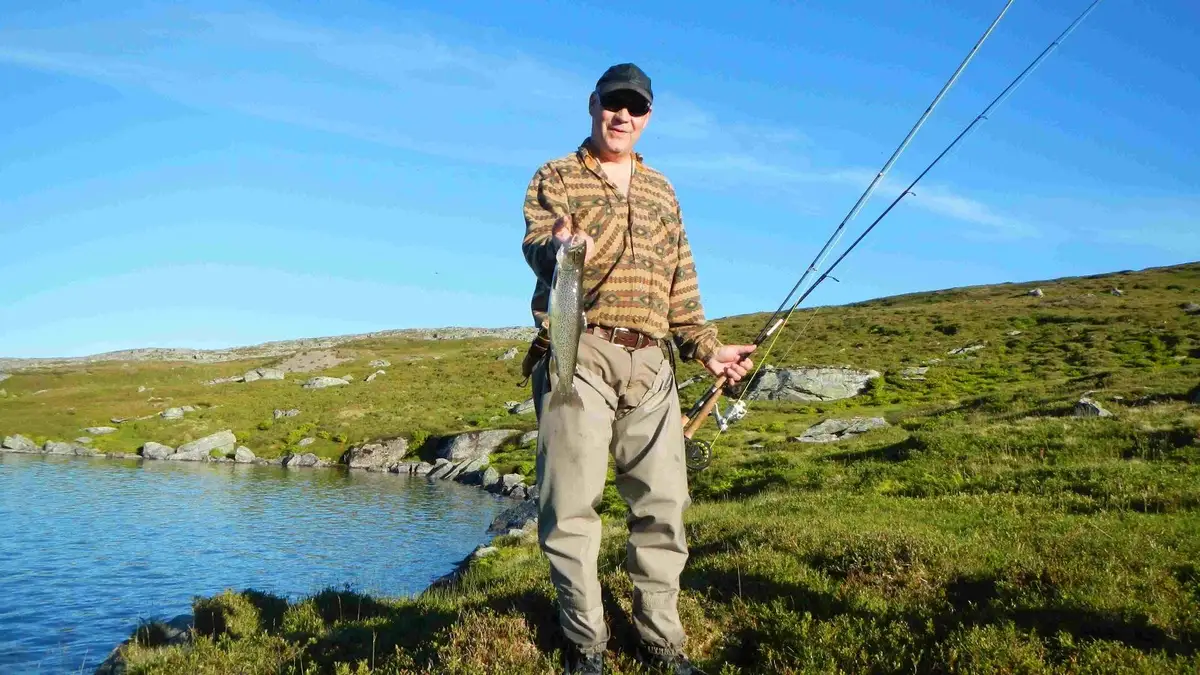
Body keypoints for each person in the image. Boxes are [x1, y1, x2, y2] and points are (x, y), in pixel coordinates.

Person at [520, 62, 756, 674]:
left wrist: (706, 347)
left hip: (653, 363)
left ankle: (661, 642)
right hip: (579, 351)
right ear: (592, 104)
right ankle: (586, 644)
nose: (622, 115)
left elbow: (682, 280)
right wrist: (560, 245)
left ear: (648, 117)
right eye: (613, 103)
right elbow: (536, 245)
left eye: (636, 107)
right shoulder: (557, 175)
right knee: (571, 508)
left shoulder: (662, 190)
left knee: (663, 506)